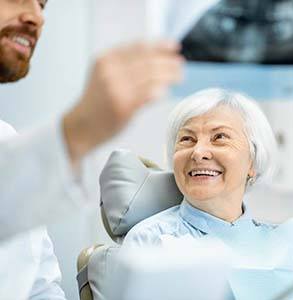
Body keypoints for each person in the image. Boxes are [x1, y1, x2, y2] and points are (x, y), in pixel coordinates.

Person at [0, 0, 183, 298]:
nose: (36, 17)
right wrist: (78, 131)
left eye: (42, 5)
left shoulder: (7, 139)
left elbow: (39, 287)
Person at [123, 88, 293, 299]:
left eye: (219, 137)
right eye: (187, 139)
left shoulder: (290, 240)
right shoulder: (151, 240)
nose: (198, 152)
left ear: (252, 161)